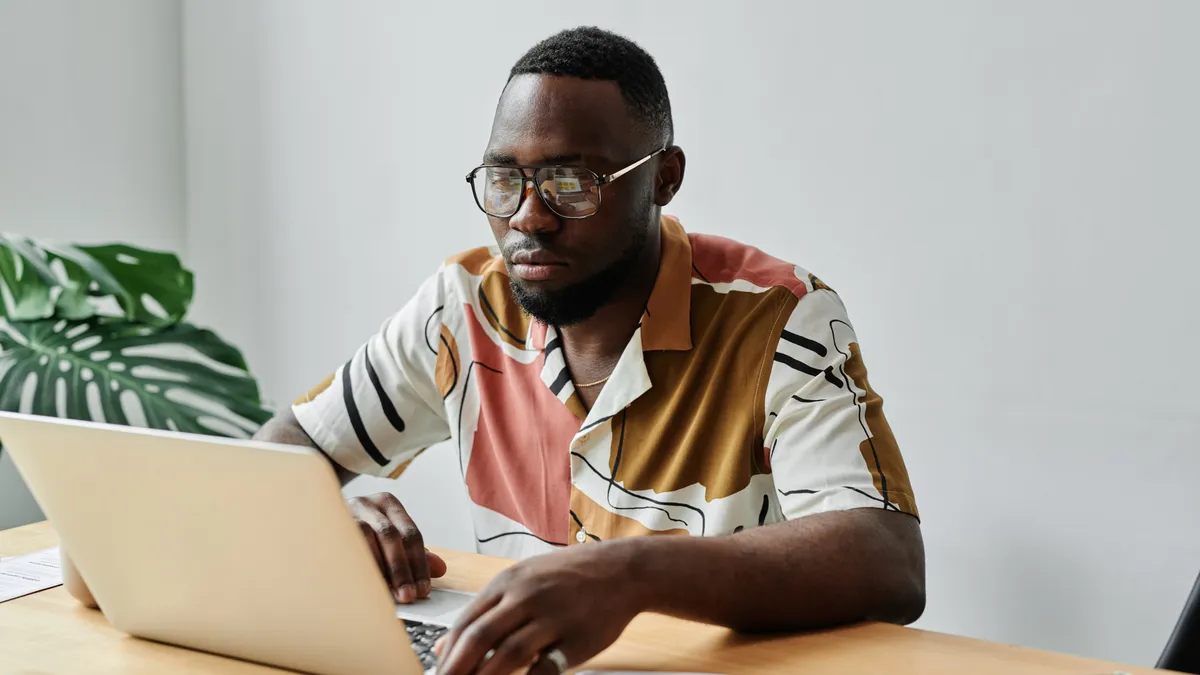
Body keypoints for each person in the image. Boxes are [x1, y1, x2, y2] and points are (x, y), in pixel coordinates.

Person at [65, 26, 925, 675]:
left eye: (572, 181)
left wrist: (627, 575)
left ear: (663, 180)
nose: (528, 216)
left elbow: (884, 557)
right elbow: (276, 461)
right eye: (505, 178)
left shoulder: (778, 316)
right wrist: (319, 515)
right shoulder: (464, 306)